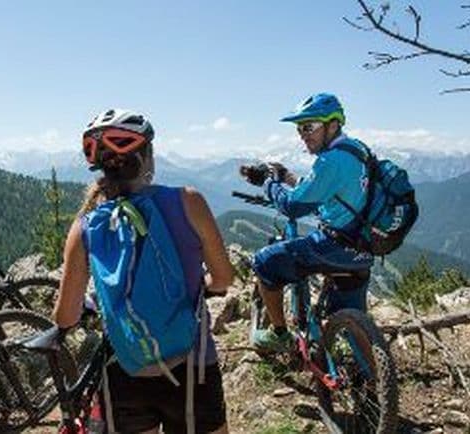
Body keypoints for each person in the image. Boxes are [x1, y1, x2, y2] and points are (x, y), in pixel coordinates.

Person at [53, 109, 234, 434]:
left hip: (123, 371)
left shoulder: (84, 228)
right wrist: (204, 285)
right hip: (193, 368)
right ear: (147, 157)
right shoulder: (189, 202)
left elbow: (65, 317)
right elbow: (224, 278)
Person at [244, 93, 374, 352]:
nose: (303, 133)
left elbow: (294, 207)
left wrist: (269, 183)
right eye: (299, 128)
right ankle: (370, 376)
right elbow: (325, 189)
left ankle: (280, 335)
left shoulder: (330, 160)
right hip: (364, 247)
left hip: (334, 246)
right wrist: (288, 177)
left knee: (264, 263)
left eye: (309, 126)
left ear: (333, 124)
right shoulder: (357, 150)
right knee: (354, 326)